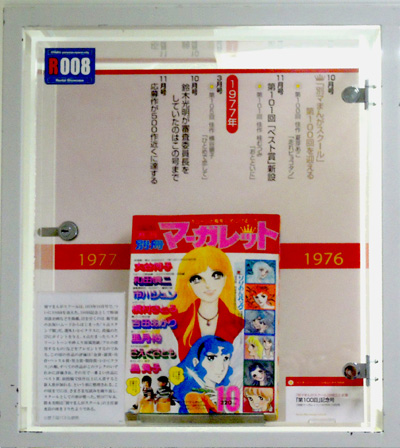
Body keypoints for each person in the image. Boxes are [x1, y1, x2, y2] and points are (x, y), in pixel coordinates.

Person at [171, 246, 244, 360]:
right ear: (188, 284)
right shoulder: (174, 322)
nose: (208, 285)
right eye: (197, 279)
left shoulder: (239, 324)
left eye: (216, 275)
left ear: (226, 278)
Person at [173, 335, 234, 413]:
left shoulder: (223, 394)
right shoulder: (192, 396)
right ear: (195, 362)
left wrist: (223, 405)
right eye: (211, 358)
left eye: (225, 358)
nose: (221, 367)